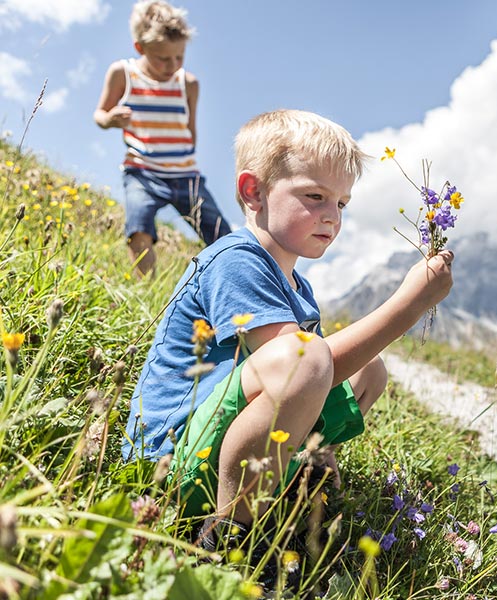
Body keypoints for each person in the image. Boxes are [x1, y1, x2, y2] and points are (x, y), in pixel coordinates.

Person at [122, 109, 454, 553]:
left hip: (224, 442)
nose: (331, 216)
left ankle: (307, 467)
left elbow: (311, 377)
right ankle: (230, 533)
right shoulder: (235, 259)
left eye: (341, 203)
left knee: (367, 370)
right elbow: (303, 365)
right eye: (314, 195)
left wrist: (325, 446)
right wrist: (406, 308)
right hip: (172, 458)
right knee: (308, 355)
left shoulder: (299, 286)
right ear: (253, 191)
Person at [94, 0, 231, 276]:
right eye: (163, 58)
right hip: (141, 172)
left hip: (185, 175)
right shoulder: (123, 73)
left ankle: (234, 287)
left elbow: (190, 129)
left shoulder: (188, 84)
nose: (172, 65)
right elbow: (100, 112)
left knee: (222, 235)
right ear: (140, 48)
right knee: (138, 227)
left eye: (179, 57)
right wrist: (110, 120)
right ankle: (146, 291)